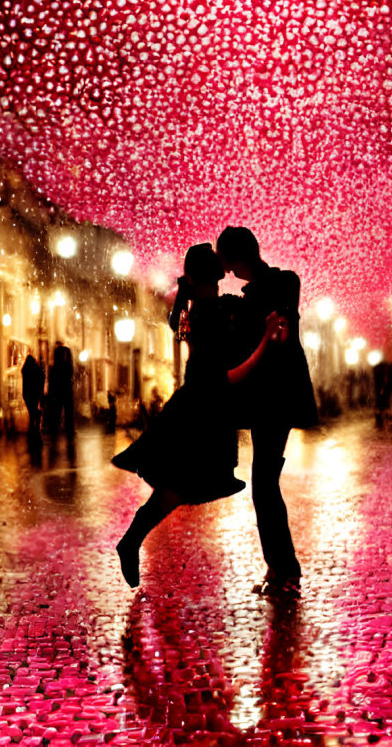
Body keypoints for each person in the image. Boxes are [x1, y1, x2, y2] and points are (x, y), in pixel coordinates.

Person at [112, 244, 285, 588]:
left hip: (197, 406)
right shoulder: (212, 315)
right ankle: (130, 540)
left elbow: (184, 330)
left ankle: (131, 540)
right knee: (178, 485)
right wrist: (265, 340)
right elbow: (228, 376)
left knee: (176, 485)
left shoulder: (203, 310)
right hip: (204, 410)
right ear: (219, 274)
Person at [216, 226, 319, 596]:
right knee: (265, 483)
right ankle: (280, 569)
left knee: (263, 484)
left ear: (237, 259)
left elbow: (276, 330)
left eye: (228, 265)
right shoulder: (254, 295)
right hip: (268, 400)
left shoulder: (280, 284)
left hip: (275, 398)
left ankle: (284, 570)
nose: (229, 274)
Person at [46, 343, 75, 441]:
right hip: (63, 392)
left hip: (60, 392)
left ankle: (56, 432)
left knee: (58, 413)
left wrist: (51, 394)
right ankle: (63, 431)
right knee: (61, 413)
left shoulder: (57, 368)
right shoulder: (64, 368)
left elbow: (52, 381)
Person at [21, 354, 45, 437]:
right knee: (33, 409)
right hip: (34, 392)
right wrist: (41, 389)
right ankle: (36, 423)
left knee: (31, 410)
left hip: (27, 393)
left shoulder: (25, 369)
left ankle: (33, 426)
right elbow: (42, 375)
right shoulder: (36, 368)